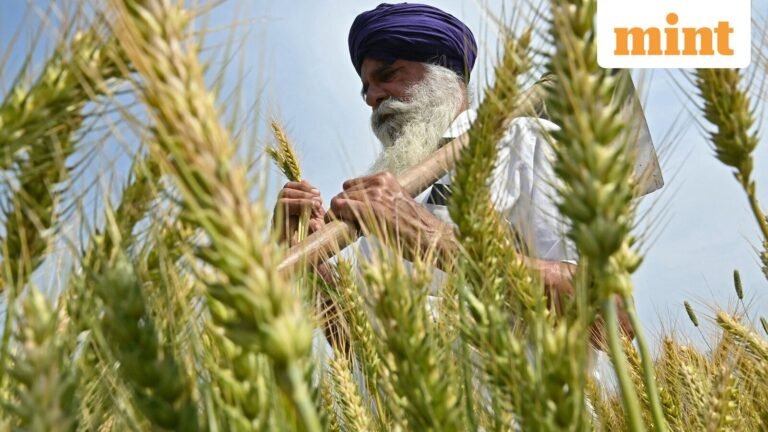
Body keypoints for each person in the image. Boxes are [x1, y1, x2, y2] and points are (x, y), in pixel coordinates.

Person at [272, 2, 632, 344]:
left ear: (444, 72)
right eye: (366, 88)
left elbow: (611, 317)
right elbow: (363, 353)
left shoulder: (526, 145)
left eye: (388, 75)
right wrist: (311, 268)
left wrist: (432, 240)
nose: (372, 97)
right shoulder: (386, 196)